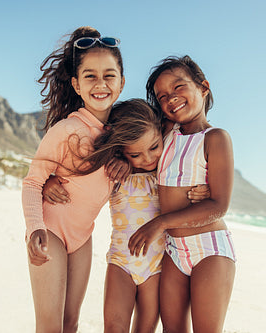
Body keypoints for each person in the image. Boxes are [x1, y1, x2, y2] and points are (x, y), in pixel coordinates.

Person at [43, 99, 210, 332]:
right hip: (120, 262)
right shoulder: (113, 172)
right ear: (122, 150)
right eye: (136, 154)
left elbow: (191, 186)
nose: (148, 159)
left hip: (157, 266)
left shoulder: (166, 174)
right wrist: (49, 180)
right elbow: (77, 181)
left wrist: (206, 189)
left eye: (154, 147)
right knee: (114, 327)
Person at [21, 26, 124, 332]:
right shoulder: (66, 130)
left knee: (71, 322)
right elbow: (32, 182)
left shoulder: (122, 134)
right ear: (77, 85)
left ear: (121, 82)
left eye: (109, 75)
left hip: (82, 236)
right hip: (50, 230)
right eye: (90, 76)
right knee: (50, 324)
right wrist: (34, 228)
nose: (101, 83)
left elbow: (147, 156)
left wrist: (126, 165)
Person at [128, 55, 236, 333]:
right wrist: (121, 160)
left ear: (203, 87)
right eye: (162, 95)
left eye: (178, 87)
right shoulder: (166, 134)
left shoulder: (215, 138)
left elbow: (219, 205)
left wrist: (160, 222)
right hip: (174, 252)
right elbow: (134, 143)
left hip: (210, 248)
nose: (171, 98)